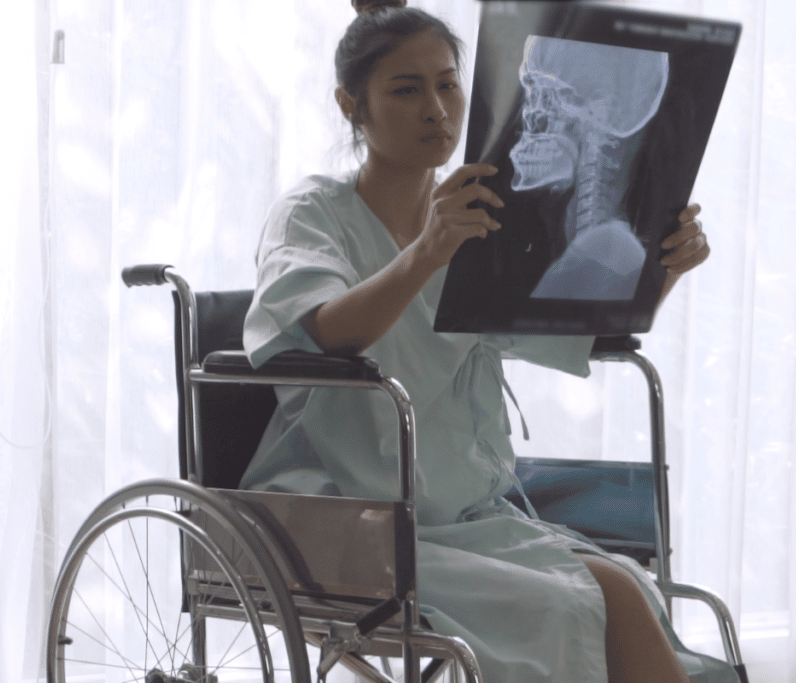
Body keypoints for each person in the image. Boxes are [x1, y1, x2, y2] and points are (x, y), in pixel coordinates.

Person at [241, 2, 711, 682]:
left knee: (627, 588)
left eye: (447, 83)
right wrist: (427, 253)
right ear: (352, 106)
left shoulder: (477, 215)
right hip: (349, 514)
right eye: (406, 89)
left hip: (464, 513)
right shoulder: (315, 213)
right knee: (561, 608)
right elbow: (323, 330)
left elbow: (580, 332)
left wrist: (660, 270)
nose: (436, 107)